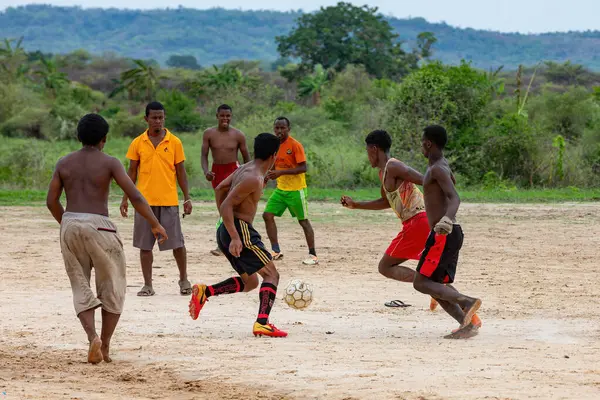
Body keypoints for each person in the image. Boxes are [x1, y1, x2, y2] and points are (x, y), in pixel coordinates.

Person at [46, 114, 168, 364]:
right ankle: (106, 345)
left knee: (80, 285)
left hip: (70, 222)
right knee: (112, 286)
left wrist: (68, 224)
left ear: (78, 137)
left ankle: (92, 337)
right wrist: (155, 223)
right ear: (104, 139)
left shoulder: (63, 162)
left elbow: (51, 201)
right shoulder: (110, 163)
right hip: (100, 226)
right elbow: (134, 195)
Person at [188, 133, 287, 338]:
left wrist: (226, 223)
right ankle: (262, 323)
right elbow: (226, 204)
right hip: (240, 230)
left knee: (250, 282)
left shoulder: (245, 168)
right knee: (271, 275)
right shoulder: (253, 177)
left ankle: (205, 292)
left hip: (227, 229)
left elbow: (221, 188)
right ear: (274, 155)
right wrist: (234, 235)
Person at [413, 125, 482, 339]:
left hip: (444, 234)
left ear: (428, 143)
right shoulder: (441, 166)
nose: (421, 146)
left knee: (421, 283)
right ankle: (466, 324)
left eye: (422, 142)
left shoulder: (437, 169)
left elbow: (455, 197)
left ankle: (467, 302)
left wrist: (446, 220)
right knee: (436, 286)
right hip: (449, 234)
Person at [120, 101, 192, 297]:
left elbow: (181, 173)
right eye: (154, 117)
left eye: (161, 117)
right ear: (146, 119)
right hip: (143, 203)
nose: (158, 121)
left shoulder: (174, 142)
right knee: (145, 246)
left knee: (177, 243)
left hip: (169, 200)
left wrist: (186, 198)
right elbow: (131, 172)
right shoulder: (137, 142)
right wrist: (125, 198)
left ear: (164, 118)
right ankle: (147, 284)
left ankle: (184, 279)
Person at [262, 117, 318, 265]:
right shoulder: (273, 145)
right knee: (267, 215)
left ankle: (313, 255)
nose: (279, 131)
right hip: (281, 190)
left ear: (288, 129)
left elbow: (303, 168)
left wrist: (281, 173)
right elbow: (273, 165)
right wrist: (266, 177)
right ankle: (275, 251)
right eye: (277, 128)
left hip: (296, 190)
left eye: (282, 128)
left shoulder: (295, 145)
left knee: (303, 221)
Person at [201, 104, 250, 256]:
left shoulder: (238, 135)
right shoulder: (209, 134)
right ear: (217, 116)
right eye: (222, 116)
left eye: (228, 116)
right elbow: (203, 155)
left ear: (231, 116)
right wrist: (206, 171)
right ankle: (223, 243)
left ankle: (240, 242)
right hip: (216, 172)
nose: (225, 119)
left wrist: (245, 174)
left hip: (233, 172)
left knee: (233, 208)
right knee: (221, 209)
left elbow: (246, 158)